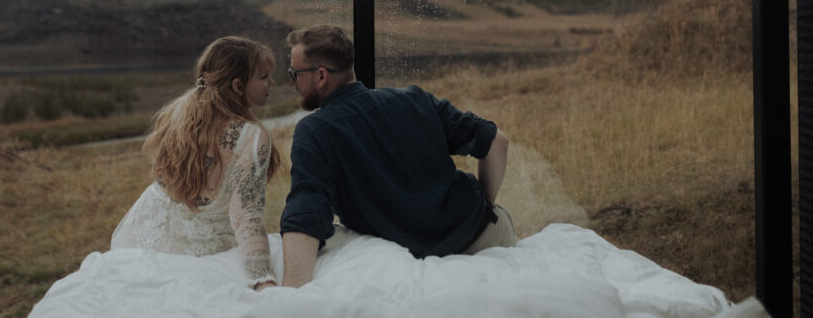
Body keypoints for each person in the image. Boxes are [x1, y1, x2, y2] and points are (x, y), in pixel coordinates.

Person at [279, 25, 515, 288]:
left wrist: (289, 297)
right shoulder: (415, 99)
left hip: (419, 263)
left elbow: (306, 212)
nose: (292, 82)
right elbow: (497, 142)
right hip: (487, 236)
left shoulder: (314, 131)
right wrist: (484, 207)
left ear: (321, 76)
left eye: (294, 74)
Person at [111, 36, 281, 290]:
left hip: (140, 243)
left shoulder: (178, 113)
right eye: (264, 76)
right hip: (202, 261)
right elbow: (246, 215)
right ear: (238, 85)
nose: (272, 82)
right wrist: (262, 279)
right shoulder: (252, 136)